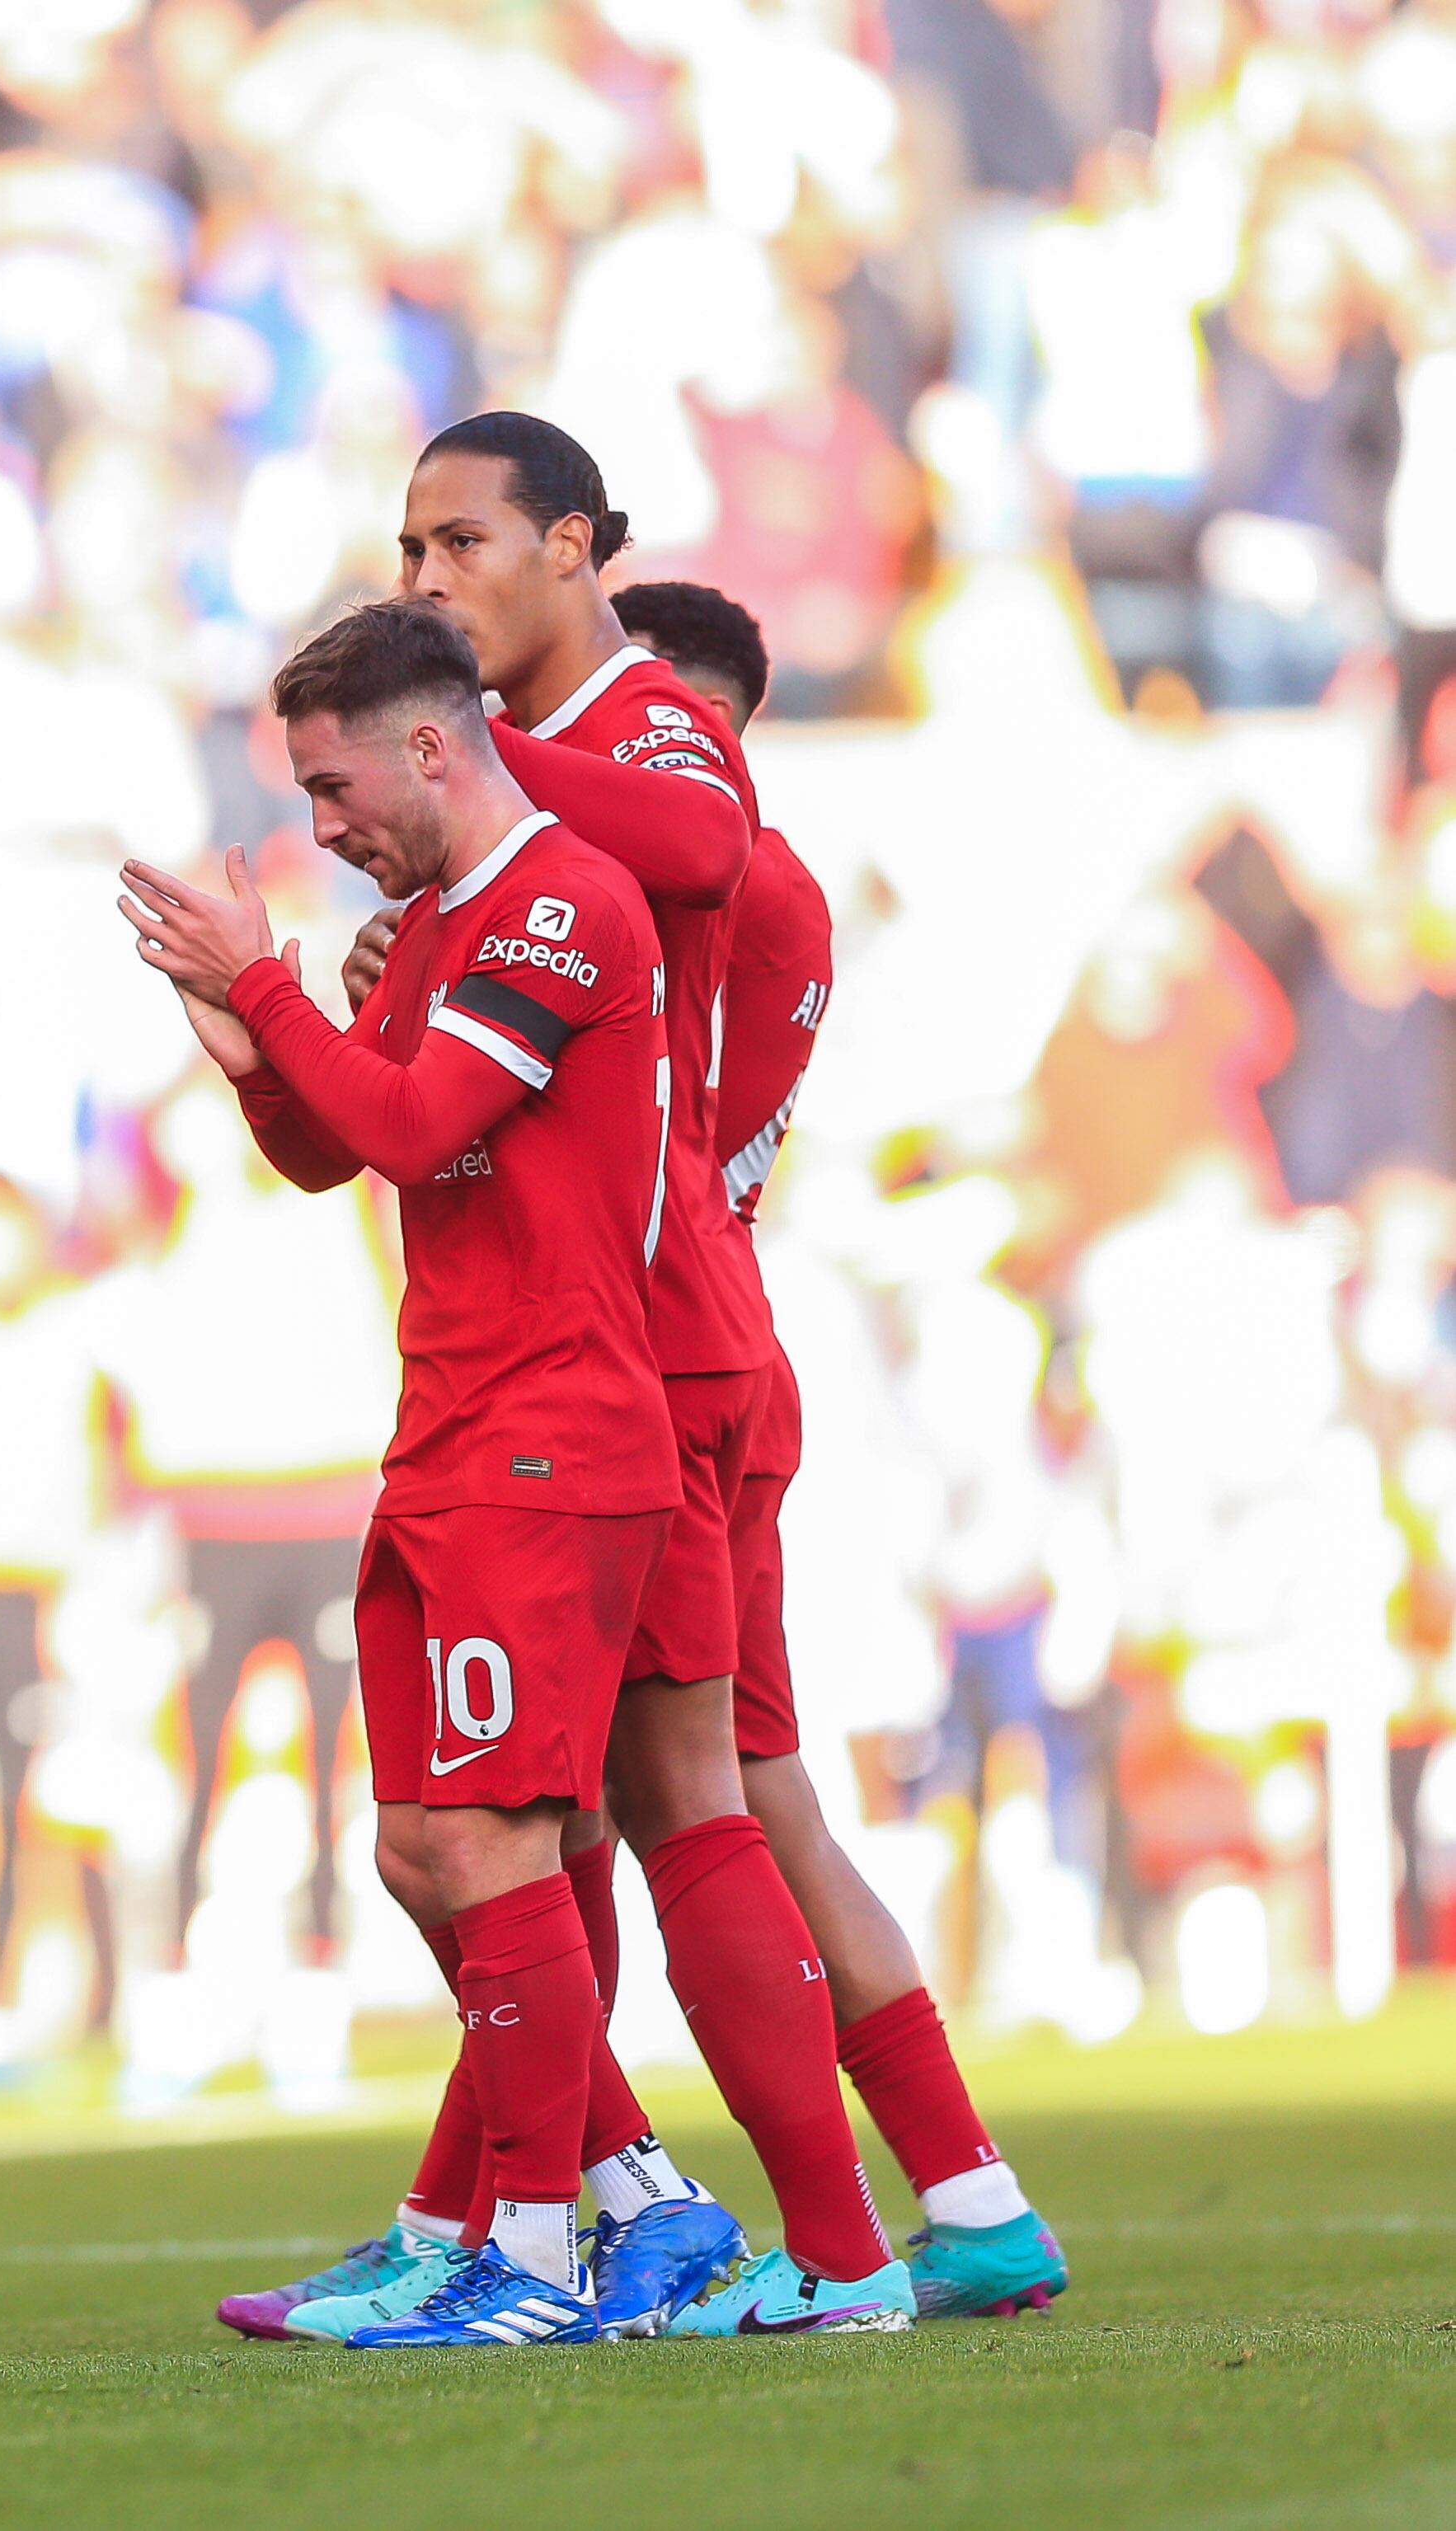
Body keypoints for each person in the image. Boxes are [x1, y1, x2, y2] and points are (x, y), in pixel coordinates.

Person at [239, 417, 910, 2342]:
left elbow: (706, 847)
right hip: (606, 1334)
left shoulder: (626, 740)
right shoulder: (494, 840)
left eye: (458, 547)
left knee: (554, 1819)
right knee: (596, 1812)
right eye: (407, 550)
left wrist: (459, 742)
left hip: (614, 1346)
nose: (428, 576)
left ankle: (569, 2226)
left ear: (571, 547)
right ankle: (773, 2226)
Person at [116, 598, 679, 2350]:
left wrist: (274, 979)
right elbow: (330, 1142)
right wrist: (237, 1020)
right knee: (422, 1849)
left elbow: (423, 1124)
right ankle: (625, 2207)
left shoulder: (565, 901)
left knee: (494, 1840)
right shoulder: (433, 920)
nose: (324, 825)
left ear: (433, 744)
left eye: (335, 783)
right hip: (448, 1428)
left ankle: (525, 2248)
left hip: (549, 1427)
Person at [612, 576, 1071, 2318]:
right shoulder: (780, 884)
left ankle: (648, 2221)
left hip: (638, 1360)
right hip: (732, 1331)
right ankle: (965, 2188)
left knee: (562, 1819)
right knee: (752, 1795)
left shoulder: (660, 872)